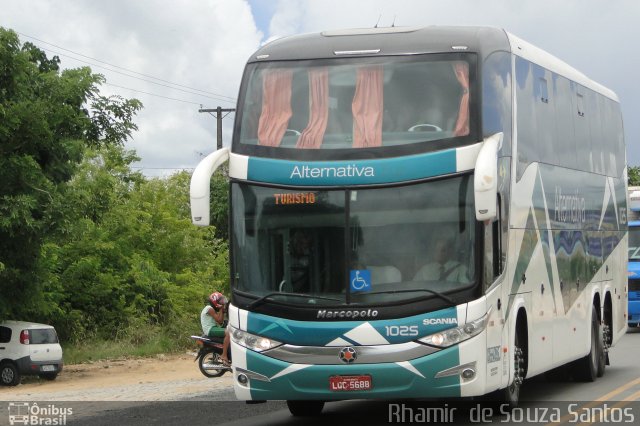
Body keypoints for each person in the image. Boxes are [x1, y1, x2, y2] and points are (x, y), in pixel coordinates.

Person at [201, 292, 230, 365]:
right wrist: (221, 310)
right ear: (215, 302)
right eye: (220, 302)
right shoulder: (209, 309)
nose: (222, 303)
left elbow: (221, 322)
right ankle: (224, 355)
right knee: (229, 333)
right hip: (210, 329)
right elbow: (219, 320)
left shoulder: (211, 309)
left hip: (213, 328)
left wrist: (222, 311)